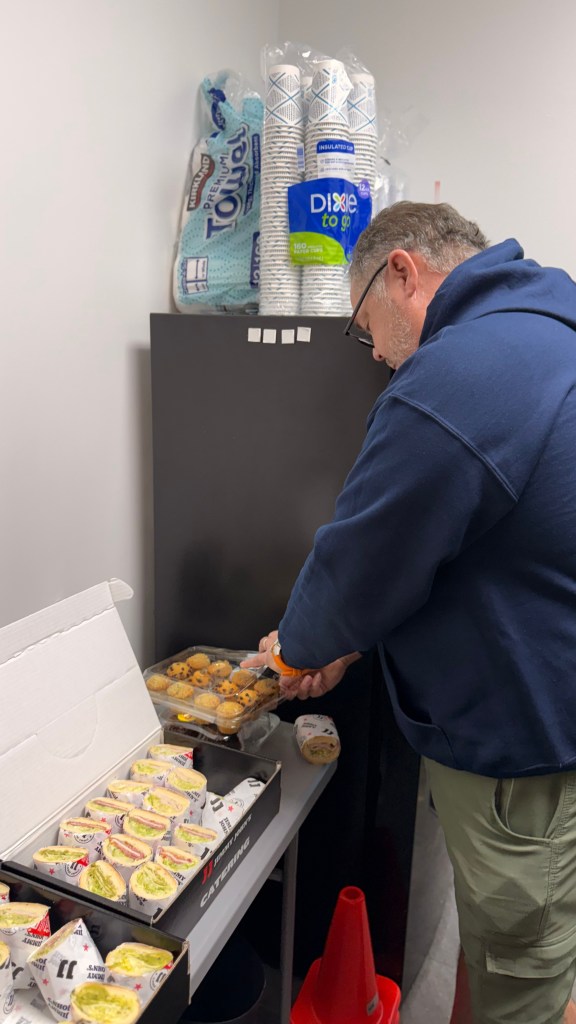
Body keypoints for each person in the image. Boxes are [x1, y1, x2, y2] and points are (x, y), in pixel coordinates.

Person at [242, 201, 576, 1024]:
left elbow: (364, 555)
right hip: (554, 712)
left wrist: (295, 654)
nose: (380, 356)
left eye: (366, 329)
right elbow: (479, 552)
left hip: (525, 748)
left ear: (403, 274)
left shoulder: (461, 372)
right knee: (507, 937)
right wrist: (348, 648)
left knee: (522, 973)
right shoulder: (548, 326)